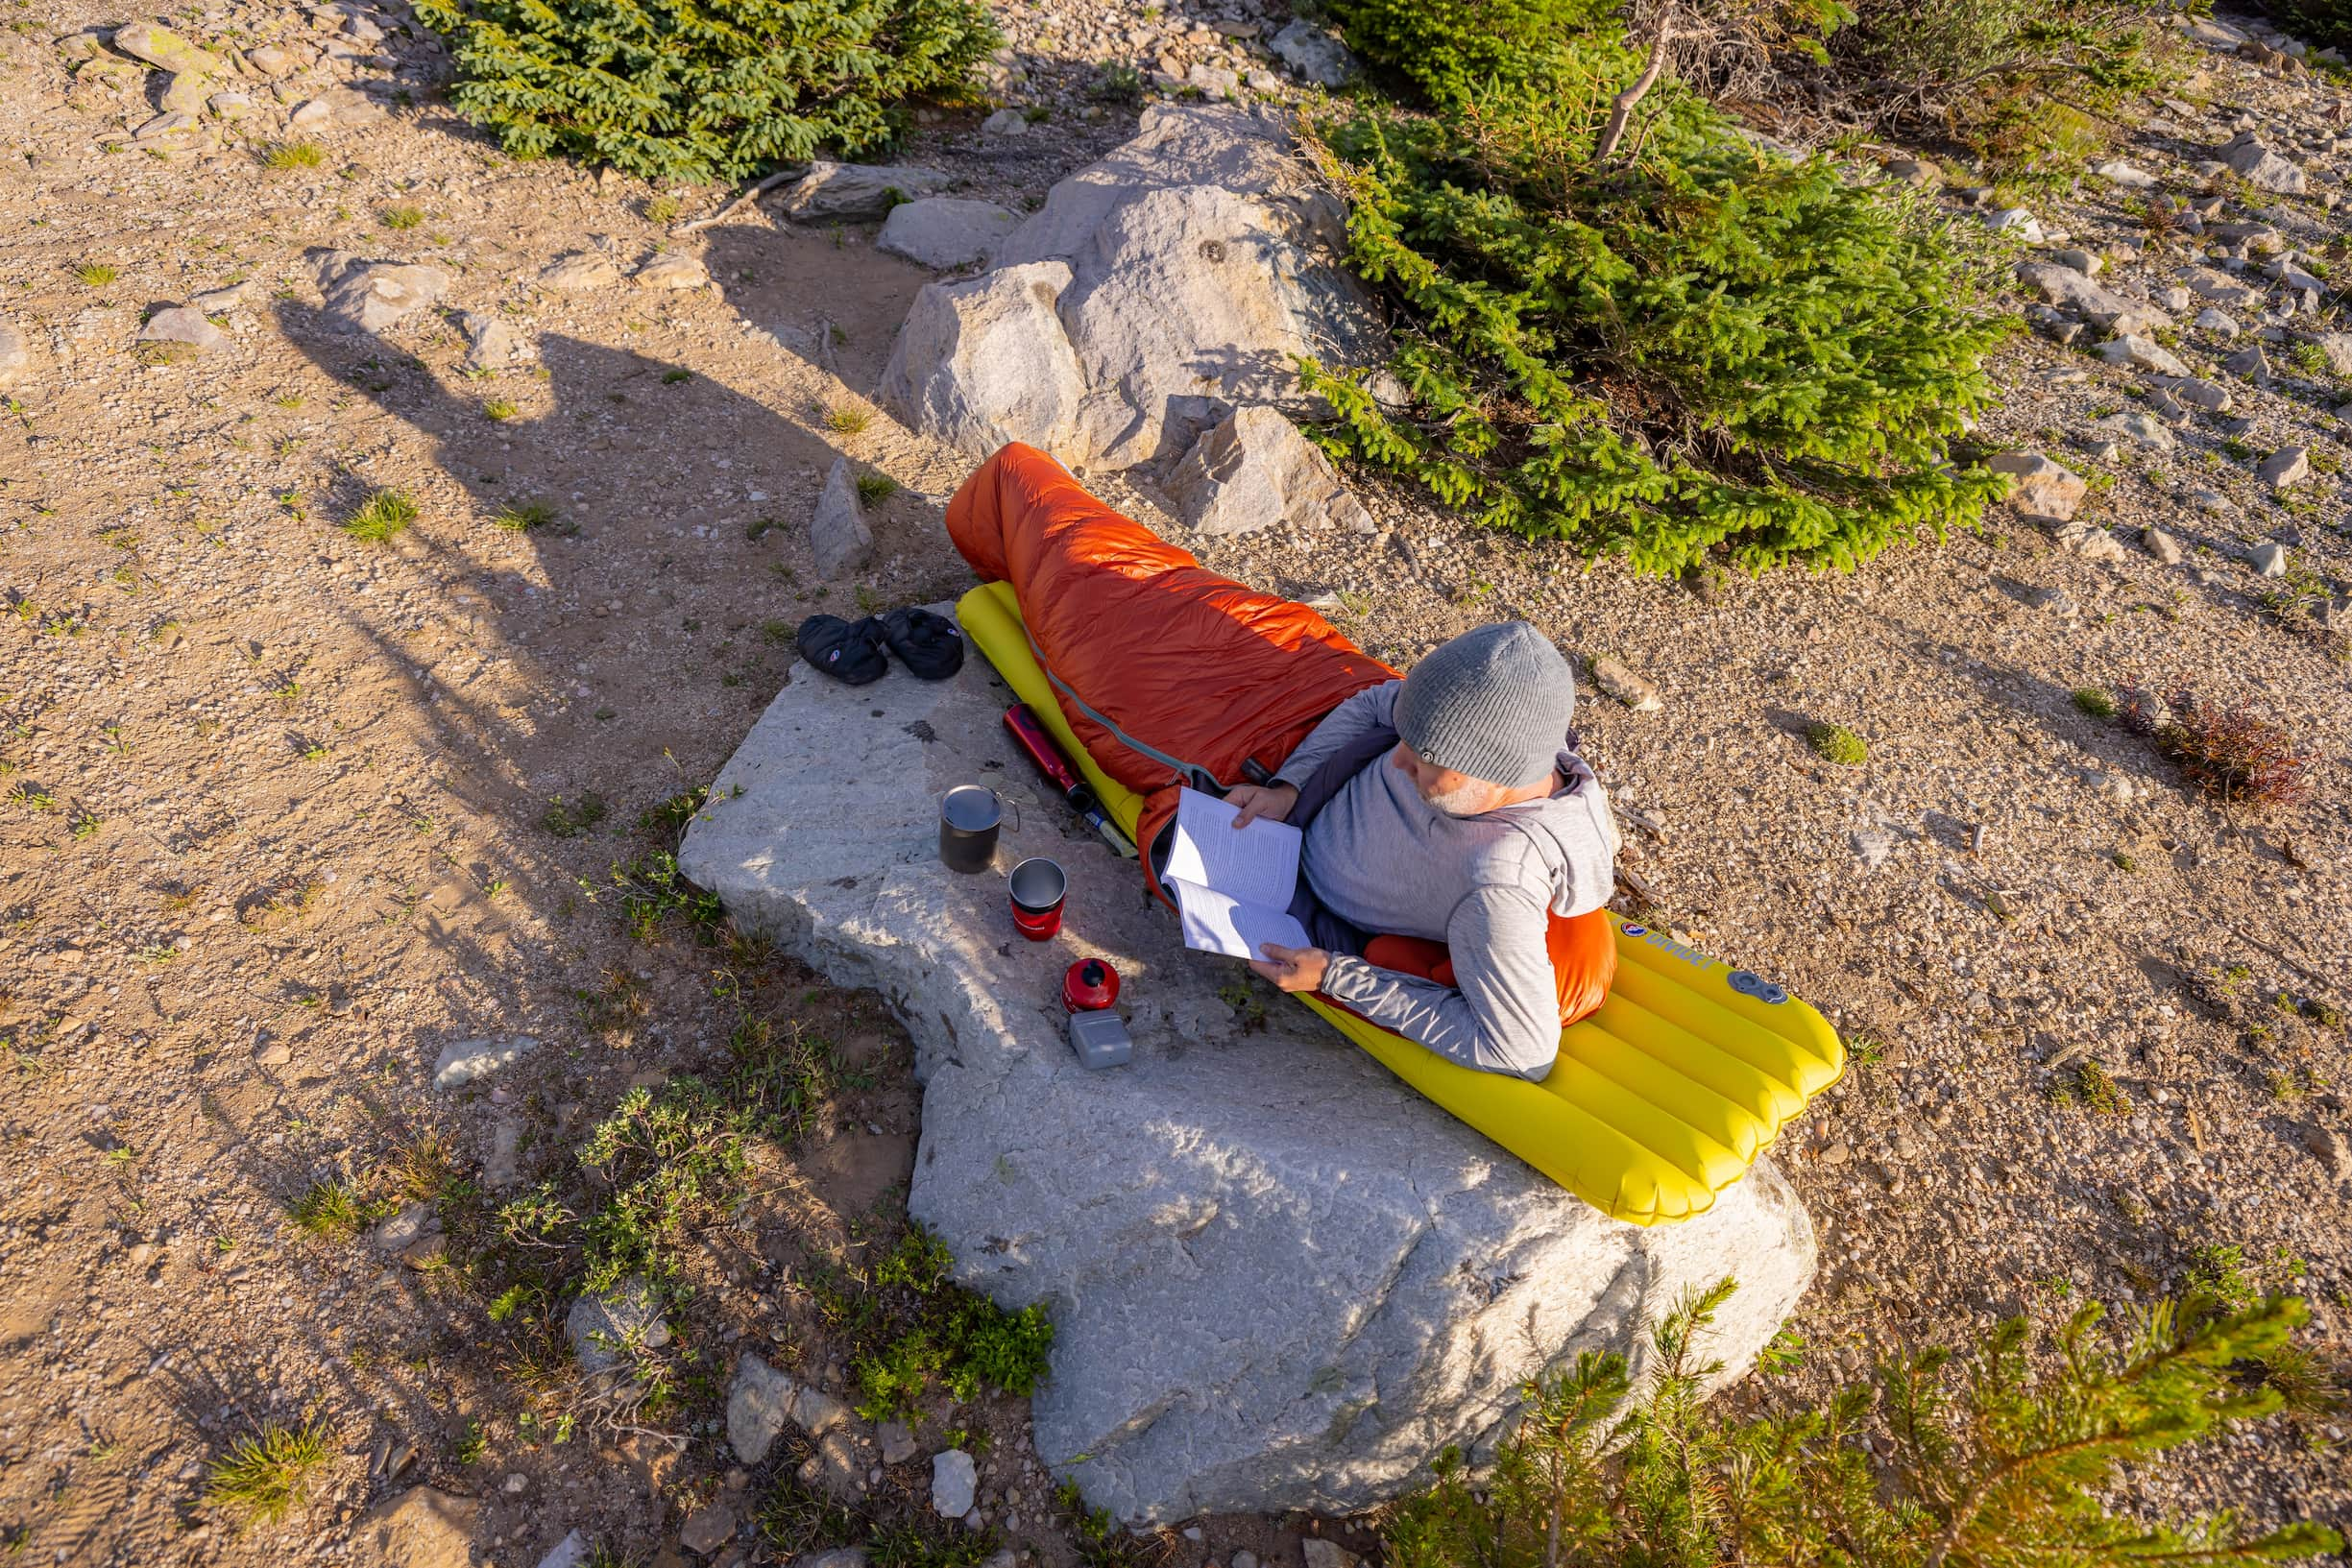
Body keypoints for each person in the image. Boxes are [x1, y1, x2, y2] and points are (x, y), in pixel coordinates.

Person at [1220, 621, 1618, 1082]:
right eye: (1406, 739)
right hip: (1301, 803)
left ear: (1493, 773)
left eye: (1423, 759)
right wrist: (1290, 786)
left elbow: (1519, 1051)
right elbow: (1374, 703)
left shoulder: (1498, 884)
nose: (1397, 761)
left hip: (1304, 906)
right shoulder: (1491, 742)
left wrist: (1335, 977)